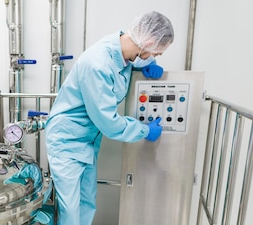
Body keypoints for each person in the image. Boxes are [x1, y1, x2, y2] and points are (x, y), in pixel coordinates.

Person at [44, 11, 174, 225]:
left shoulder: (122, 50)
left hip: (87, 140)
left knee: (87, 202)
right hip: (66, 141)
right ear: (149, 42)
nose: (156, 57)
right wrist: (144, 130)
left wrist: (141, 66)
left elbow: (124, 62)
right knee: (70, 210)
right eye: (157, 53)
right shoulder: (97, 64)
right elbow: (110, 124)